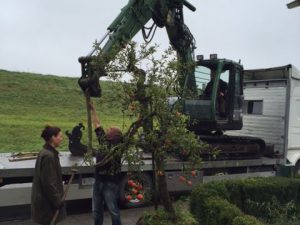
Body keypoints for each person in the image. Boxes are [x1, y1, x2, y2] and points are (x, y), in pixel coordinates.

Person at [90, 101, 123, 225]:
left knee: (113, 210)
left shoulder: (118, 148)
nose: (107, 129)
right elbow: (97, 124)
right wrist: (93, 108)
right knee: (96, 211)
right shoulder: (104, 141)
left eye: (110, 129)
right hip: (98, 181)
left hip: (110, 183)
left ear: (114, 135)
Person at [31, 125, 66, 225]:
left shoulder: (44, 152)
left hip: (44, 201)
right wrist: (57, 201)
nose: (61, 139)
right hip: (46, 203)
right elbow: (49, 183)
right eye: (60, 136)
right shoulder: (48, 156)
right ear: (53, 138)